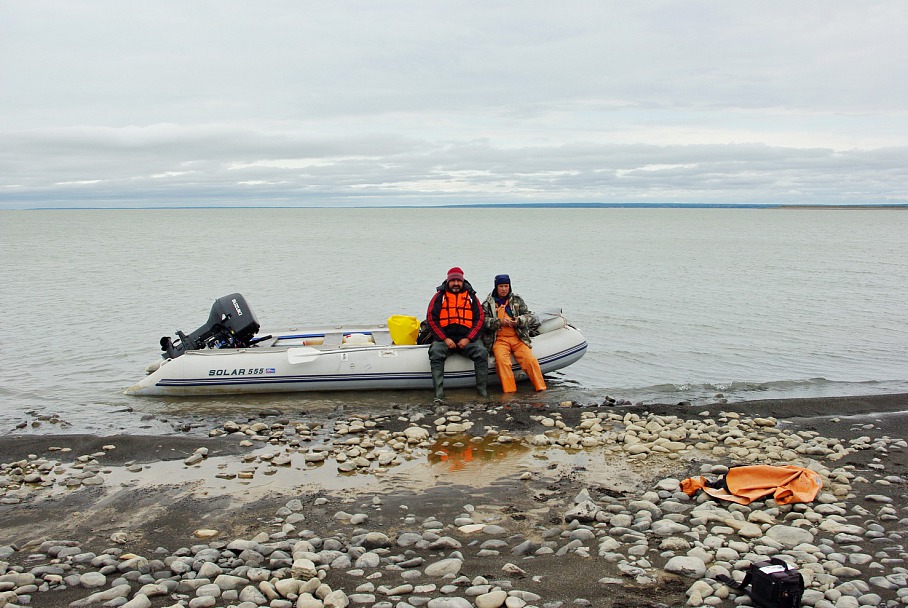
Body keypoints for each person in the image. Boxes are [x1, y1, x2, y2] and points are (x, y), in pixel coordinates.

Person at [425, 267, 488, 401]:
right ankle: (439, 394)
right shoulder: (439, 297)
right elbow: (431, 319)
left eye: (458, 281)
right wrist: (444, 338)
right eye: (452, 280)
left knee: (482, 352)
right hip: (445, 339)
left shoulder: (471, 297)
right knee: (435, 352)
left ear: (462, 281)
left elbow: (480, 319)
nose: (455, 284)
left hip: (467, 339)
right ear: (448, 281)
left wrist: (469, 338)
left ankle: (482, 392)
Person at [482, 274, 547, 393]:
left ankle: (541, 389)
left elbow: (529, 316)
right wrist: (500, 322)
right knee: (502, 362)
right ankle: (510, 393)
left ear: (509, 286)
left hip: (518, 338)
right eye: (501, 286)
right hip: (499, 340)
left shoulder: (517, 300)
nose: (503, 289)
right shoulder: (487, 303)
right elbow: (483, 321)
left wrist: (519, 320)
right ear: (496, 287)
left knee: (530, 360)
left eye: (506, 286)